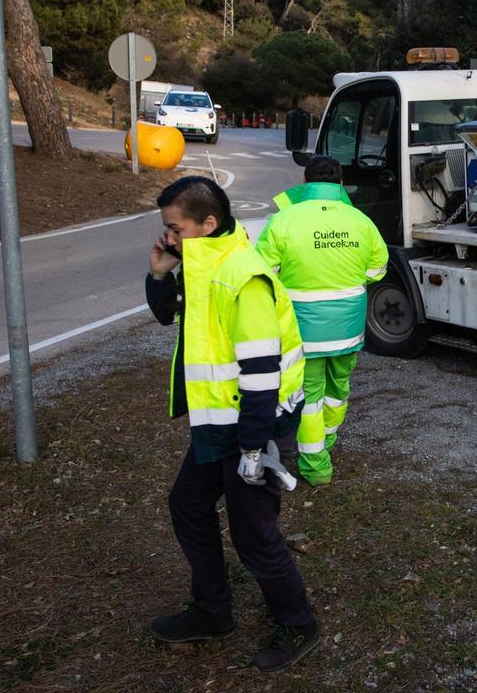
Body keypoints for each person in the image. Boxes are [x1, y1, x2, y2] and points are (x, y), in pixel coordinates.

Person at [144, 175, 318, 673]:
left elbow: (262, 372)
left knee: (254, 533)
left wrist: (252, 448)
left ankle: (299, 623)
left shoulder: (243, 275)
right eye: (167, 230)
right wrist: (160, 274)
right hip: (219, 426)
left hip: (253, 429)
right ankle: (212, 610)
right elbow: (169, 316)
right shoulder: (202, 269)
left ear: (208, 223)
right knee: (188, 503)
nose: (168, 239)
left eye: (175, 230)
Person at [256, 157, 388, 486]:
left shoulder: (284, 220)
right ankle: (327, 440)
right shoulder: (360, 220)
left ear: (305, 181)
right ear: (340, 182)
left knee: (309, 396)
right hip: (349, 326)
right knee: (339, 388)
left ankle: (316, 465)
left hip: (304, 329)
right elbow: (377, 269)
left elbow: (262, 272)